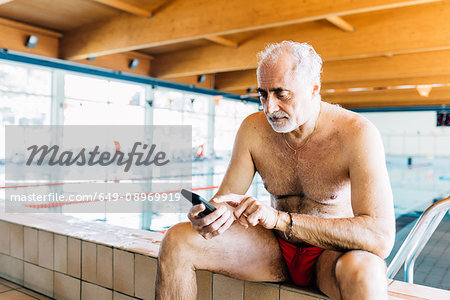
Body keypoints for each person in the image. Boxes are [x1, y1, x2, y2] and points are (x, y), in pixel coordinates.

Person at [156, 41, 396, 300]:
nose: (269, 108)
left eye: (282, 94)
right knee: (177, 240)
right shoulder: (253, 130)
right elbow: (224, 201)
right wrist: (211, 218)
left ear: (314, 89)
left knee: (366, 272)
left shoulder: (356, 134)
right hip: (273, 249)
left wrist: (281, 220)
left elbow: (380, 236)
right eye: (263, 94)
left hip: (329, 253)